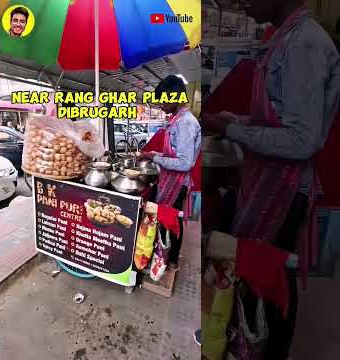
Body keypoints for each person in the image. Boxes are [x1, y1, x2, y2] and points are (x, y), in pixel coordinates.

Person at [202, 0, 340, 359]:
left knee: (271, 275)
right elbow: (277, 119)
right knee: (258, 270)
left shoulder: (305, 44)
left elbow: (302, 140)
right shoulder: (286, 38)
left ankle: (269, 349)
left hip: (284, 188)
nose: (241, 3)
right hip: (266, 179)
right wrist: (230, 120)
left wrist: (231, 127)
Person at [142, 75, 201, 270]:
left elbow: (185, 163)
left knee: (172, 220)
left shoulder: (186, 123)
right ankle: (164, 255)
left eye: (162, 101)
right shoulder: (177, 120)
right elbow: (173, 152)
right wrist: (154, 153)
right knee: (167, 218)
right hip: (169, 179)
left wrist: (154, 158)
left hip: (178, 183)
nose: (159, 105)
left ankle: (172, 259)